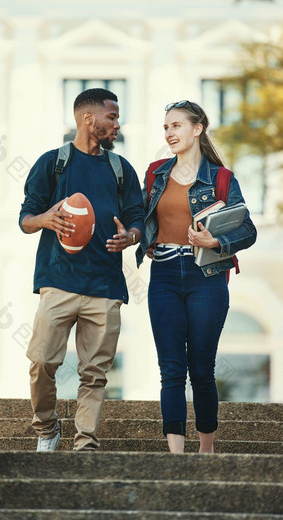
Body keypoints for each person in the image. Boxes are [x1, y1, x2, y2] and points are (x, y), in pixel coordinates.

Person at [19, 88, 143, 452]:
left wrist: (130, 236)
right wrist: (46, 219)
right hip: (58, 281)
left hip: (105, 286)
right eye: (112, 117)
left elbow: (137, 218)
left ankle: (85, 440)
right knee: (41, 361)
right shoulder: (52, 162)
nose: (117, 124)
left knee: (95, 374)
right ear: (88, 118)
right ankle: (46, 429)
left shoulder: (121, 168)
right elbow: (26, 218)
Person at [136, 100, 257, 454]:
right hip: (164, 275)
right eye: (166, 128)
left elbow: (247, 230)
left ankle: (206, 451)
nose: (169, 133)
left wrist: (216, 240)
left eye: (176, 126)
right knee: (171, 367)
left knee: (201, 368)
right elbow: (140, 217)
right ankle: (176, 457)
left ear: (197, 128)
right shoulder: (155, 172)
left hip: (207, 276)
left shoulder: (221, 178)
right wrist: (136, 237)